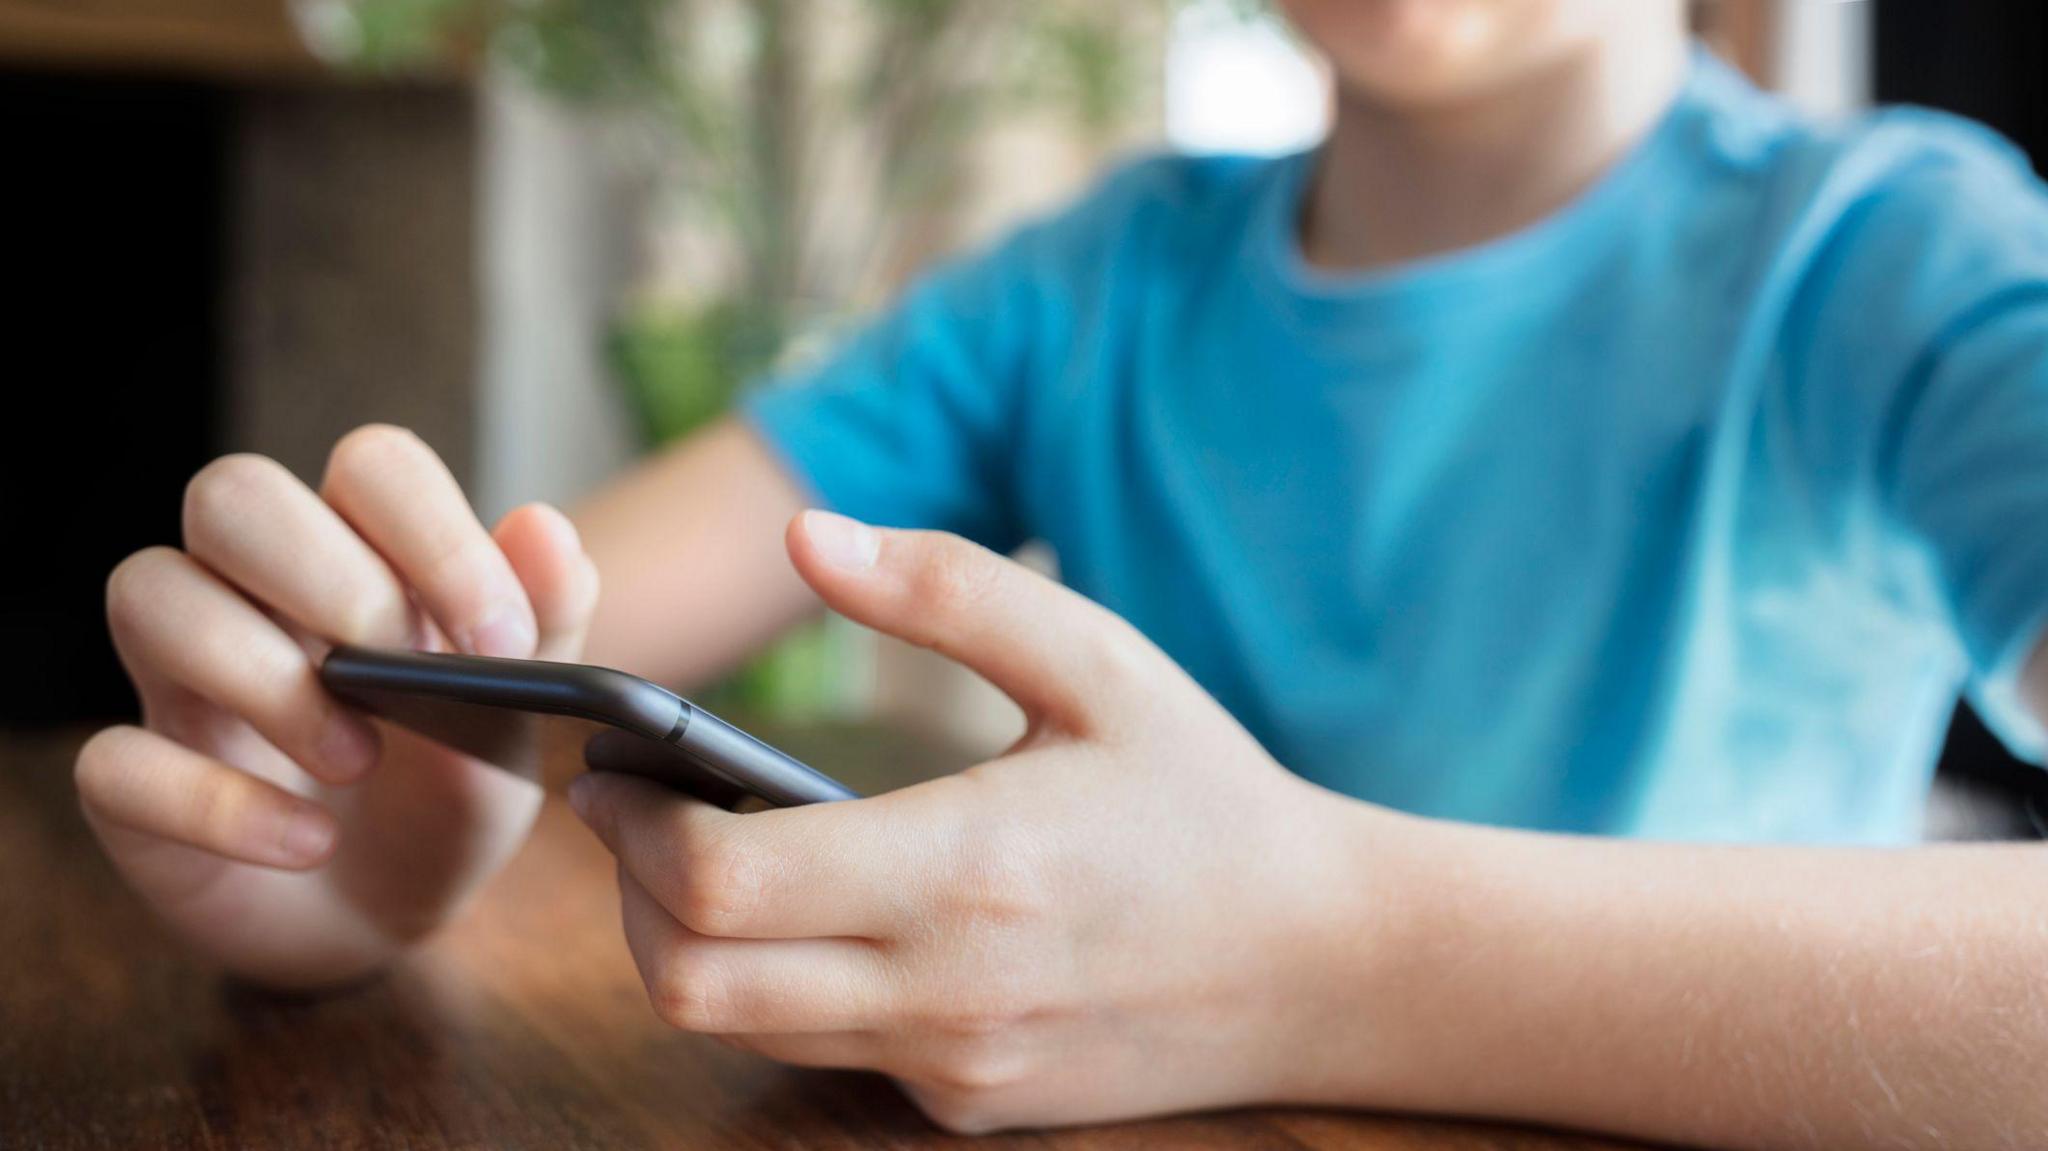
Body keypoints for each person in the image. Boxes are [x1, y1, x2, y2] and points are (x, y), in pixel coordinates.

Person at [78, 0, 2048, 1145]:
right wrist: (354, 845)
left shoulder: (1899, 262)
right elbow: (532, 636)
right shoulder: (1088, 286)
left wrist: (1330, 954)